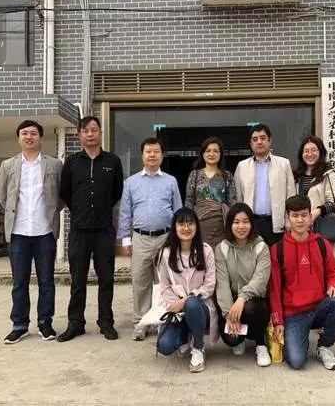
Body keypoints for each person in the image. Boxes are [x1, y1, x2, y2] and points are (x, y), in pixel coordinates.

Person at [57, 116, 124, 342]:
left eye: (94, 130)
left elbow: (117, 192)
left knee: (106, 279)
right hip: (79, 230)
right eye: (85, 130)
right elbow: (65, 192)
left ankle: (106, 322)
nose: (90, 134)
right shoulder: (72, 162)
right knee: (78, 280)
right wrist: (80, 211)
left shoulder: (113, 161)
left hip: (104, 230)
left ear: (100, 133)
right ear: (80, 135)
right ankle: (76, 323)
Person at [0, 120, 63, 344]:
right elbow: (3, 197)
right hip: (18, 233)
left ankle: (45, 323)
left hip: (45, 232)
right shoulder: (8, 165)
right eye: (24, 133)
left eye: (33, 133)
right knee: (19, 282)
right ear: (18, 138)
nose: (29, 137)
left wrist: (51, 212)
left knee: (47, 281)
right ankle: (19, 325)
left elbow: (60, 197)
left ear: (41, 138)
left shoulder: (55, 165)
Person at [269, 196, 335, 370]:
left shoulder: (322, 244)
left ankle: (324, 346)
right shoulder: (278, 250)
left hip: (318, 307)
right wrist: (278, 321)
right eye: (295, 215)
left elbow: (332, 273)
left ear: (310, 216)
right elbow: (274, 290)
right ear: (288, 217)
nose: (300, 220)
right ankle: (298, 336)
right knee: (296, 361)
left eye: (304, 215)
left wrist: (333, 285)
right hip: (293, 314)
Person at [117, 137, 182, 341]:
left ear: (162, 156)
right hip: (141, 238)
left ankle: (164, 321)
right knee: (140, 282)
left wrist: (179, 239)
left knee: (166, 282)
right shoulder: (131, 182)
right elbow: (125, 212)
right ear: (142, 155)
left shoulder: (171, 181)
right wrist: (125, 239)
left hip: (166, 238)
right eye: (148, 151)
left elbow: (178, 211)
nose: (152, 155)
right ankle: (140, 322)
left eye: (156, 151)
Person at [156, 208, 218, 373]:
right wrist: (176, 304)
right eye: (181, 224)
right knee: (164, 346)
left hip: (201, 307)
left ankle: (198, 347)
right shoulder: (166, 254)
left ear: (197, 226)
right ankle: (185, 336)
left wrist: (186, 301)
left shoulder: (206, 250)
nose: (186, 228)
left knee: (192, 305)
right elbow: (164, 287)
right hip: (177, 311)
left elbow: (210, 285)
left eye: (190, 223)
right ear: (174, 227)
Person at [215, 203, 272, 366]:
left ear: (252, 223)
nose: (241, 226)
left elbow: (260, 280)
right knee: (231, 339)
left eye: (245, 221)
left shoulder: (261, 247)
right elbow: (222, 284)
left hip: (255, 302)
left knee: (251, 308)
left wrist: (242, 298)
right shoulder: (222, 248)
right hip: (232, 303)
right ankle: (240, 338)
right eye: (236, 222)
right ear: (230, 224)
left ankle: (260, 344)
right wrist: (229, 315)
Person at [234, 124, 296, 247]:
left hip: (276, 223)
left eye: (263, 138)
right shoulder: (242, 166)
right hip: (251, 223)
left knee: (277, 256)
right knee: (252, 257)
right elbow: (238, 198)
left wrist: (289, 221)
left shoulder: (284, 164)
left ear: (269, 141)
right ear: (251, 143)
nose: (259, 142)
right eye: (255, 139)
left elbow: (291, 196)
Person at [293, 135, 335, 262]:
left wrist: (316, 212)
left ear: (321, 152)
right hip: (301, 231)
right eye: (306, 151)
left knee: (324, 266)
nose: (310, 154)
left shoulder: (328, 174)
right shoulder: (297, 177)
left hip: (322, 230)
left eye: (313, 150)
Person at [185, 137, 237, 249]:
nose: (211, 154)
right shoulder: (194, 175)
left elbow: (232, 202)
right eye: (208, 151)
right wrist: (188, 222)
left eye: (215, 151)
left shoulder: (227, 176)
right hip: (199, 224)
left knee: (220, 253)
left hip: (221, 226)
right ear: (203, 154)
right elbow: (189, 201)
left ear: (220, 154)